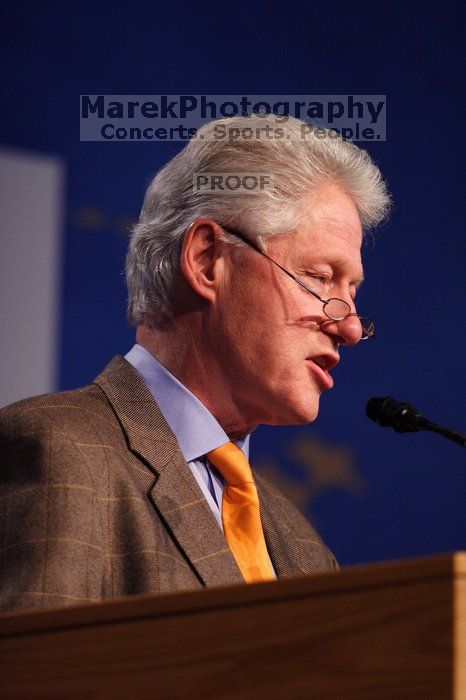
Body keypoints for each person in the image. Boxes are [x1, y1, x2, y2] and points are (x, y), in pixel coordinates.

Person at [0, 114, 390, 612]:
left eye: (352, 292)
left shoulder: (303, 547)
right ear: (208, 261)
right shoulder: (59, 454)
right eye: (319, 277)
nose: (351, 327)